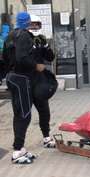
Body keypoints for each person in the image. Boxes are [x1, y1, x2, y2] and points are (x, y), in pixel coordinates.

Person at [3, 12, 50, 164]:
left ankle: (20, 148)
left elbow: (5, 57)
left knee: (21, 113)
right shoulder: (24, 35)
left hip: (12, 77)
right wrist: (36, 65)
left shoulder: (11, 35)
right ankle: (17, 151)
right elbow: (21, 57)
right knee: (24, 114)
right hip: (21, 78)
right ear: (28, 22)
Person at [28, 14, 57, 149]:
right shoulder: (22, 38)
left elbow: (50, 58)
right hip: (25, 80)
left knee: (44, 111)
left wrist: (46, 46)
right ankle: (19, 145)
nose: (34, 26)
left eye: (36, 24)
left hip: (39, 81)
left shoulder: (40, 39)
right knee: (23, 115)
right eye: (32, 24)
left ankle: (46, 137)